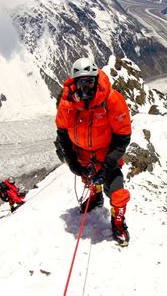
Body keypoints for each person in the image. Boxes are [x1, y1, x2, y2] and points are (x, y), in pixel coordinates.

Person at [55, 57, 132, 246]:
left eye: (89, 81)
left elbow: (122, 138)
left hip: (106, 156)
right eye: (81, 82)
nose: (86, 87)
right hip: (82, 156)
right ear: (75, 82)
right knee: (88, 178)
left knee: (117, 192)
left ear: (96, 79)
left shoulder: (111, 100)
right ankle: (95, 197)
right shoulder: (67, 103)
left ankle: (118, 223)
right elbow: (62, 134)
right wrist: (72, 162)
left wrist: (106, 168)